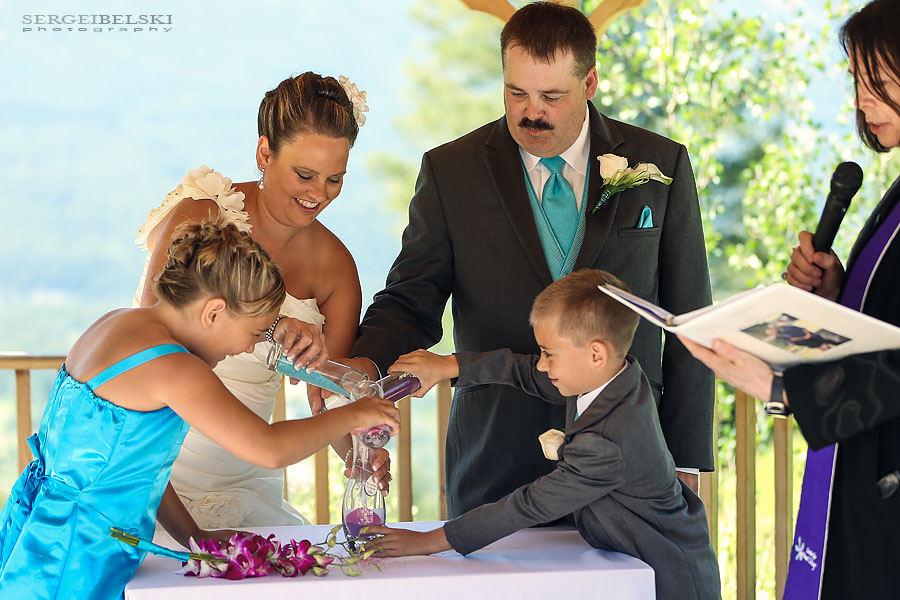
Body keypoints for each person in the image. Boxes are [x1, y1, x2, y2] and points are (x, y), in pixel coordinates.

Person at [345, 1, 714, 518]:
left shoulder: (660, 163)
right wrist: (362, 363)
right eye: (516, 92)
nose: (530, 112)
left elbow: (688, 317)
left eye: (551, 96)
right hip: (495, 457)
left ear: (589, 84)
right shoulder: (451, 171)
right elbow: (412, 299)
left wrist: (687, 459)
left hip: (630, 458)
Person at [0, 220, 400, 600]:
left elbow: (138, 470)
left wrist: (193, 535)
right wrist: (355, 413)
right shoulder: (174, 367)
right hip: (77, 553)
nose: (248, 347)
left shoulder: (114, 324)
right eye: (255, 332)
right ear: (213, 312)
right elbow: (270, 448)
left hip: (45, 525)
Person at [680, 1, 900, 597]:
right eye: (856, 81)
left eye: (877, 82)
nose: (861, 102)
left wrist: (782, 387)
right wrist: (838, 292)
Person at [368, 270, 721, 600]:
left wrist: (428, 542)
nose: (541, 363)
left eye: (549, 354)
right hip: (628, 562)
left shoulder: (610, 440)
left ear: (595, 354)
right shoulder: (615, 377)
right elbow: (525, 371)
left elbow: (528, 505)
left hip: (667, 575)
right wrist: (452, 365)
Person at [133, 72, 386, 528]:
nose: (318, 194)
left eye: (334, 179)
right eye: (304, 175)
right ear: (264, 153)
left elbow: (325, 396)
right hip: (158, 475)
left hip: (247, 483)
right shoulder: (202, 217)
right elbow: (149, 344)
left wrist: (360, 452)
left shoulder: (337, 269)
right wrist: (271, 333)